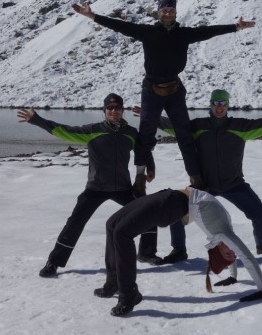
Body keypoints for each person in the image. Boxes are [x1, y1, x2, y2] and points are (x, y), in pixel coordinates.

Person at [72, 0, 254, 183]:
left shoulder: (184, 34)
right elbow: (120, 26)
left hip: (174, 89)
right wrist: (92, 16)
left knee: (184, 135)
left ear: (175, 13)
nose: (168, 13)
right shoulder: (147, 32)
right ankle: (140, 177)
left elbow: (209, 31)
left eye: (171, 10)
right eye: (164, 10)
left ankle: (195, 177)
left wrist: (235, 27)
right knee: (146, 134)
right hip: (151, 89)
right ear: (158, 13)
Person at [152, 89, 262, 264]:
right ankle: (179, 250)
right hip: (204, 186)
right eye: (216, 103)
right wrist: (152, 116)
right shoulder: (199, 126)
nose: (219, 107)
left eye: (223, 103)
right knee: (177, 212)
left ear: (227, 105)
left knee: (259, 213)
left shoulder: (240, 126)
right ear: (211, 105)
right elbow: (177, 127)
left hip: (234, 184)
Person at [17, 93, 159, 277]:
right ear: (104, 110)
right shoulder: (92, 131)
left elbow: (143, 150)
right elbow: (63, 130)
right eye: (110, 108)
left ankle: (146, 253)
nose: (114, 111)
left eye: (117, 108)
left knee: (148, 211)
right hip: (96, 188)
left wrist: (151, 167)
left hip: (123, 188)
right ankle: (54, 262)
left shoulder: (130, 133)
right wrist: (37, 120)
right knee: (75, 223)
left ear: (122, 110)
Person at [97, 186, 262, 317]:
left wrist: (261, 290)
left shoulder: (224, 235)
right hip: (170, 196)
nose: (233, 251)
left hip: (171, 205)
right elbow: (240, 257)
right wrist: (233, 277)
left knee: (122, 234)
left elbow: (247, 258)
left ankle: (129, 294)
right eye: (232, 253)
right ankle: (113, 283)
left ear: (218, 251)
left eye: (229, 254)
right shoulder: (226, 234)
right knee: (111, 224)